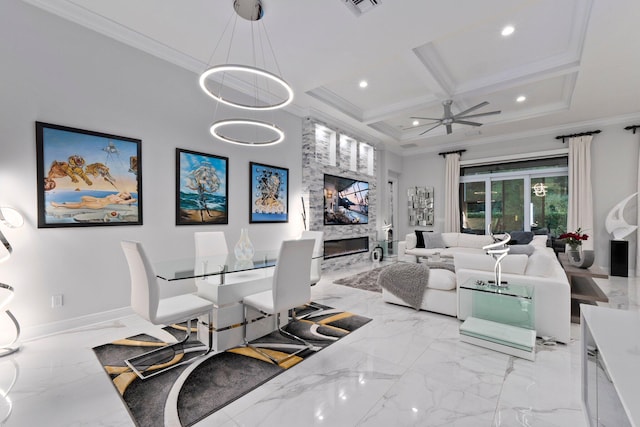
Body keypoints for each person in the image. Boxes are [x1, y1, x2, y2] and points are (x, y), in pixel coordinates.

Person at [51, 192, 136, 209]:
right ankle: (70, 204)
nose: (125, 193)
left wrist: (130, 199)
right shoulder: (117, 195)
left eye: (126, 195)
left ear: (126, 198)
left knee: (82, 204)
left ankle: (59, 205)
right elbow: (124, 191)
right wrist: (128, 195)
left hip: (99, 204)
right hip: (97, 199)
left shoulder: (120, 201)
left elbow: (133, 200)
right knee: (83, 197)